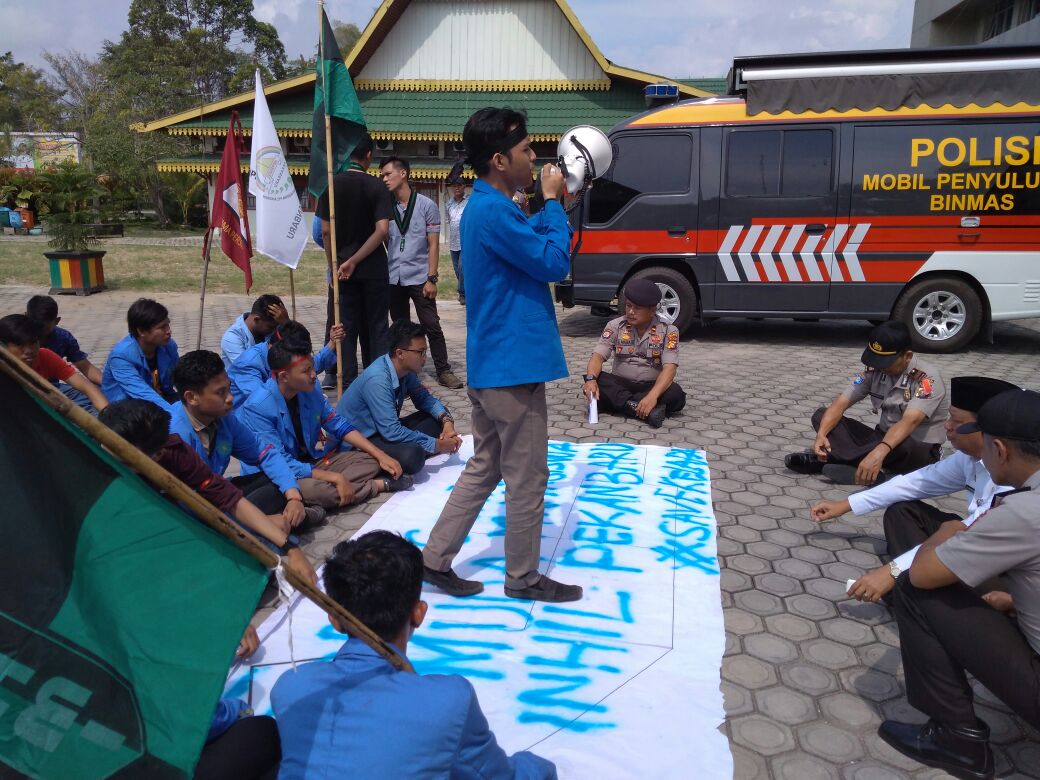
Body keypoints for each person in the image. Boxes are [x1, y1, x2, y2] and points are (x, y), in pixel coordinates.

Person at [421, 107, 581, 603]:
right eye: (526, 150)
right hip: (514, 369)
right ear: (498, 159)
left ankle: (434, 558)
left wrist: (546, 206)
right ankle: (524, 577)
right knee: (528, 474)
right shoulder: (494, 210)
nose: (535, 159)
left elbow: (525, 244)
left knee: (486, 464)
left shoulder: (487, 206)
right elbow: (553, 261)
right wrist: (553, 204)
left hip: (492, 363)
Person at [271, 530, 557, 779]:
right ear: (419, 614)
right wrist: (540, 767)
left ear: (333, 619)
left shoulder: (291, 686)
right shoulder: (447, 701)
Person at [879, 389, 1040, 780]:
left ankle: (958, 739)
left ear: (999, 448)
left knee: (913, 590)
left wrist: (946, 532)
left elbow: (923, 573)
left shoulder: (1024, 511)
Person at [811, 376, 1018, 604]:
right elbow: (916, 483)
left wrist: (891, 571)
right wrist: (846, 504)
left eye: (957, 421)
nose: (947, 425)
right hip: (973, 538)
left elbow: (972, 534)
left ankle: (911, 592)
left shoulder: (1015, 479)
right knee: (902, 511)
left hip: (1000, 563)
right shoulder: (968, 458)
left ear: (988, 432)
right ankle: (915, 583)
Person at [97, 399, 316, 586]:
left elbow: (228, 499)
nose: (230, 398)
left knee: (264, 560)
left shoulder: (176, 452)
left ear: (157, 455)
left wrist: (290, 549)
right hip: (133, 551)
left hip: (188, 525)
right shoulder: (96, 469)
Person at [236, 336, 411, 511]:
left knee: (372, 460)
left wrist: (380, 455)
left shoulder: (309, 390)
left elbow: (339, 425)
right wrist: (334, 477)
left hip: (314, 461)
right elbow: (279, 462)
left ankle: (339, 489)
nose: (314, 375)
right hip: (280, 475)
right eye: (306, 371)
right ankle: (377, 485)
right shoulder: (258, 407)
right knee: (321, 492)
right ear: (284, 376)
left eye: (313, 367)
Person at [170, 349, 323, 530]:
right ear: (191, 397)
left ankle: (275, 521)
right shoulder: (173, 436)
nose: (230, 398)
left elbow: (264, 453)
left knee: (280, 482)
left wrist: (294, 496)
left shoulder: (224, 419)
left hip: (216, 493)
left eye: (228, 389)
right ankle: (271, 525)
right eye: (220, 393)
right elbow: (186, 501)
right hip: (188, 513)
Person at [785, 320, 950, 486]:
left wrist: (880, 450)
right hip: (882, 438)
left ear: (907, 356)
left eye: (886, 362)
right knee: (822, 416)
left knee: (905, 443)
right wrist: (821, 434)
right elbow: (841, 403)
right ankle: (866, 469)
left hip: (915, 448)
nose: (879, 366)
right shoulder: (874, 371)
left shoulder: (927, 380)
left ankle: (836, 461)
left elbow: (909, 422)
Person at [337, 319, 461, 476]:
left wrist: (447, 422)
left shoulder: (406, 371)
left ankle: (422, 447)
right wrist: (439, 445)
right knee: (412, 456)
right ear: (400, 353)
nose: (424, 358)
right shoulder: (378, 379)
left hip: (383, 431)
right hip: (361, 442)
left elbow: (425, 399)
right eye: (420, 352)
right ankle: (369, 463)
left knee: (437, 419)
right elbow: (392, 432)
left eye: (425, 352)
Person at [381, 156, 463, 389]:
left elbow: (434, 244)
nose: (384, 179)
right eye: (383, 175)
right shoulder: (386, 207)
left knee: (432, 325)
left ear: (403, 174)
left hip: (420, 277)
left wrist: (432, 278)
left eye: (388, 174)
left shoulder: (427, 206)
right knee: (399, 327)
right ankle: (403, 373)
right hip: (394, 277)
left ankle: (443, 370)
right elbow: (386, 239)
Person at [317, 132, 392, 386]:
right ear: (369, 156)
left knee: (344, 330)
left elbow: (325, 231)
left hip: (341, 273)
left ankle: (346, 385)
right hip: (374, 270)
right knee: (377, 329)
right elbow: (382, 231)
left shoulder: (331, 185)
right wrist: (357, 260)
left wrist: (336, 264)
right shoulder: (378, 186)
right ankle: (378, 386)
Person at [582, 278, 685, 428]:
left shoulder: (669, 331)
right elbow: (597, 356)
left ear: (652, 310)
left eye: (637, 308)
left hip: (649, 386)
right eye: (629, 306)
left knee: (676, 394)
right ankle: (643, 410)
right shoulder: (615, 326)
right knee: (598, 381)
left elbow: (670, 368)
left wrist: (652, 396)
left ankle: (624, 404)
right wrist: (591, 380)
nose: (631, 312)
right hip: (620, 382)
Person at [1, 313, 108, 412]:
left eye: (33, 343)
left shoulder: (45, 355)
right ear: (3, 346)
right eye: (19, 345)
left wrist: (107, 413)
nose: (28, 350)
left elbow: (85, 386)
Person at [227, 320, 341, 409]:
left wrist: (332, 343)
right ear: (283, 376)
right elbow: (263, 402)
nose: (313, 375)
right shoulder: (248, 364)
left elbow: (307, 366)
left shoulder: (295, 368)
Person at [25, 294, 104, 409]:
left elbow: (86, 368)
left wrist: (110, 383)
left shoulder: (62, 339)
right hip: (21, 388)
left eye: (45, 328)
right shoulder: (14, 334)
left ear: (57, 321)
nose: (39, 333)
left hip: (53, 387)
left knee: (96, 396)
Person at [101, 298, 179, 410]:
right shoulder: (121, 356)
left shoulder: (168, 346)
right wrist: (177, 415)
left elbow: (178, 377)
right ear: (141, 331)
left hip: (161, 397)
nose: (168, 331)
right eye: (162, 327)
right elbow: (143, 394)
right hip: (128, 408)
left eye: (168, 325)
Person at [220, 294, 289, 368]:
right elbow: (248, 369)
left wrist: (287, 324)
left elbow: (298, 349)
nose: (276, 329)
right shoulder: (232, 338)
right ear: (257, 319)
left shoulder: (276, 327)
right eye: (271, 327)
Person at [445, 177, 468, 305]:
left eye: (459, 185)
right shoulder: (448, 204)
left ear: (464, 186)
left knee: (462, 267)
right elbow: (449, 221)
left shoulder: (469, 202)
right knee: (456, 269)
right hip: (453, 241)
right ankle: (467, 290)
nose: (457, 188)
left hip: (465, 241)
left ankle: (462, 293)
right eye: (454, 185)